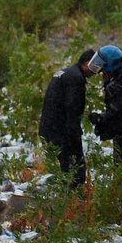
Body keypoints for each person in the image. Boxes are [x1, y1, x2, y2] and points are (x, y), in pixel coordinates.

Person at [38, 49, 96, 187]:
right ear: (88, 63)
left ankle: (67, 200)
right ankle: (74, 202)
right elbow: (72, 109)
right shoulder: (76, 78)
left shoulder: (65, 72)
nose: (98, 71)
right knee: (75, 171)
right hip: (62, 132)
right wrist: (75, 137)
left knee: (65, 168)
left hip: (49, 128)